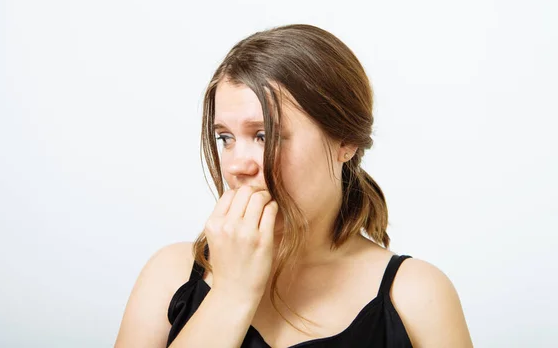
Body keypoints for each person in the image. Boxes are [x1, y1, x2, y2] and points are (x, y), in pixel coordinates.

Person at [114, 24, 473, 347]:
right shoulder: (171, 274)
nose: (238, 165)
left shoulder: (416, 295)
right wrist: (230, 294)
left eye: (264, 134)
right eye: (225, 137)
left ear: (344, 142)